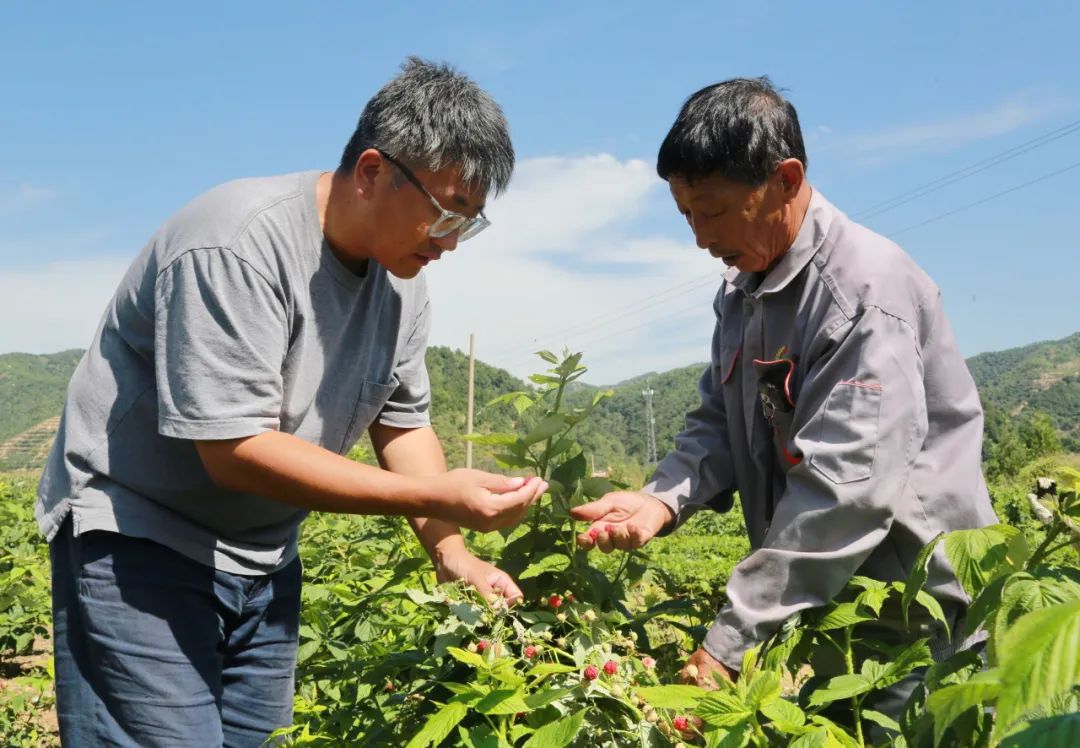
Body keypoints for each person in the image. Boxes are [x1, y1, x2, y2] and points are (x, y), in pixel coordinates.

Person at [35, 57, 548, 747]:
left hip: (264, 560)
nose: (450, 241)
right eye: (442, 213)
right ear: (372, 172)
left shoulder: (404, 287)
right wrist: (442, 497)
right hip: (140, 541)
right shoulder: (236, 243)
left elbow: (403, 426)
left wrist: (452, 552)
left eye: (468, 222)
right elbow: (234, 450)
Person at [571, 77, 997, 722]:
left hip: (916, 615)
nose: (698, 237)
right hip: (831, 607)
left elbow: (847, 491)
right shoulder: (745, 290)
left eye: (711, 211)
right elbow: (718, 420)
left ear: (786, 180)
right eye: (685, 214)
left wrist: (730, 642)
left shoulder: (861, 291)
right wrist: (659, 499)